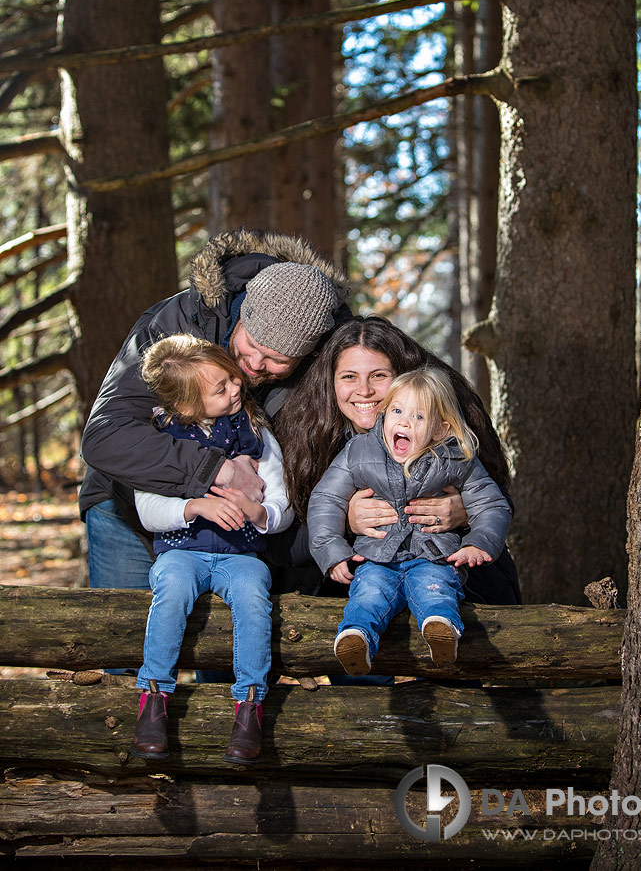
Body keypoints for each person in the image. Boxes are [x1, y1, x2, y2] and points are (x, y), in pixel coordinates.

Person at [79, 229, 348, 592]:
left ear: (308, 355)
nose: (253, 364)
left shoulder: (333, 356)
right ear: (242, 312)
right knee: (122, 640)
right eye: (251, 343)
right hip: (131, 514)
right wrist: (214, 469)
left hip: (245, 537)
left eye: (277, 359)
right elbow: (106, 437)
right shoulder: (176, 326)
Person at [271, 315, 522, 606]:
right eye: (349, 377)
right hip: (360, 587)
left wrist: (465, 512)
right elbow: (279, 545)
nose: (364, 391)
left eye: (379, 376)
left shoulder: (446, 419)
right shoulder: (307, 434)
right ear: (330, 382)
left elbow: (499, 501)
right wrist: (346, 522)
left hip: (460, 583)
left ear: (403, 375)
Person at [130, 335, 293, 766]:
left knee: (254, 599)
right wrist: (196, 505)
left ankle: (249, 706)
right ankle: (154, 696)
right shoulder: (164, 439)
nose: (235, 389)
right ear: (185, 407)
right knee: (173, 589)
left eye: (231, 378)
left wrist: (258, 513)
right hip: (182, 551)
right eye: (219, 389)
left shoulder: (257, 434)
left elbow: (283, 504)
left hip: (242, 554)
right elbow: (147, 509)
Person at [307, 368, 512, 673]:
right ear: (385, 414)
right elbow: (326, 500)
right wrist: (333, 553)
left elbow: (492, 504)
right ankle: (356, 636)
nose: (403, 421)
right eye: (397, 411)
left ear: (440, 430)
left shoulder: (456, 460)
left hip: (434, 555)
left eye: (418, 417)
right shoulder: (359, 453)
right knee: (368, 592)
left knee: (435, 586)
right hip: (377, 556)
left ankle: (441, 628)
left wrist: (478, 543)